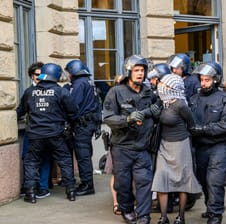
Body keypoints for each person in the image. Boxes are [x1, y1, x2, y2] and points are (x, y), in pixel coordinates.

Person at [103, 55, 161, 224]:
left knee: (144, 182)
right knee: (123, 184)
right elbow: (108, 117)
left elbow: (156, 109)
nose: (140, 74)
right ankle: (127, 209)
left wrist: (155, 112)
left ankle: (143, 215)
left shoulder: (148, 91)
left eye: (142, 70)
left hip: (142, 147)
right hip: (122, 147)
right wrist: (127, 120)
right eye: (136, 70)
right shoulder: (115, 92)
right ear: (128, 72)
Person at [17, 63, 78, 203]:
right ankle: (71, 192)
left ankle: (30, 193)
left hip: (35, 135)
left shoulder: (29, 92)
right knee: (65, 162)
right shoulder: (61, 91)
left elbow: (21, 111)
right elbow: (73, 111)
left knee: (31, 162)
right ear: (56, 75)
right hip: (56, 134)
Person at [190, 62, 226, 224]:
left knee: (215, 181)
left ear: (215, 80)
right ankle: (210, 207)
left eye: (207, 80)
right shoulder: (194, 99)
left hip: (219, 146)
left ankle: (216, 213)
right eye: (202, 80)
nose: (203, 83)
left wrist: (204, 129)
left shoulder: (225, 99)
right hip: (200, 147)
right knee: (203, 180)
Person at [151, 74, 202, 224]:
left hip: (180, 145)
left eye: (166, 85)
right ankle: (164, 217)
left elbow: (191, 125)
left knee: (182, 181)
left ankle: (181, 217)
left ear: (173, 88)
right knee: (161, 179)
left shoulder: (180, 105)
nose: (162, 87)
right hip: (164, 145)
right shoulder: (162, 102)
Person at [64, 59, 102, 196]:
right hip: (90, 123)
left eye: (68, 72)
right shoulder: (89, 82)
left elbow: (73, 105)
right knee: (86, 153)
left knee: (82, 155)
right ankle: (86, 182)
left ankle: (87, 185)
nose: (67, 75)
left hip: (82, 125)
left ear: (74, 71)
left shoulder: (79, 84)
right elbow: (98, 104)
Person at [17, 62, 53, 199]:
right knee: (28, 158)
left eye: (42, 74)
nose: (40, 77)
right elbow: (21, 109)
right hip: (32, 131)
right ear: (32, 76)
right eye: (37, 75)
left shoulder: (52, 90)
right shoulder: (28, 92)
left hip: (49, 131)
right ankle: (29, 187)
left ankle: (42, 187)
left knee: (45, 159)